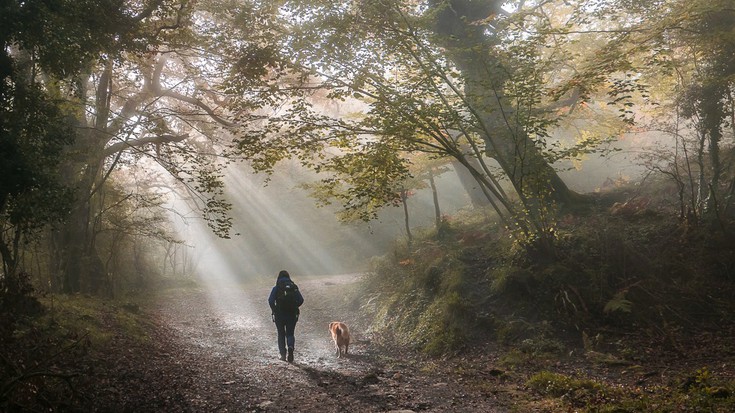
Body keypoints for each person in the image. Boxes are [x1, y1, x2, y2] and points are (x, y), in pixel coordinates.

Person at [268, 270, 304, 362]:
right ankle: (291, 347)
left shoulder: (276, 288)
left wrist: (274, 309)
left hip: (279, 314)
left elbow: (270, 300)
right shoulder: (293, 287)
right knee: (290, 333)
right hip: (291, 314)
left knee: (281, 334)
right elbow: (301, 300)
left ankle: (283, 355)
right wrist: (294, 306)